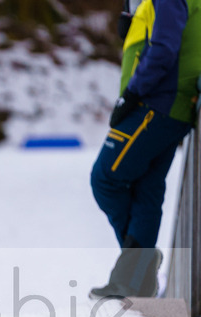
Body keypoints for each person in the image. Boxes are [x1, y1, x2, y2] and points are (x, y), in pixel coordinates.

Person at [89, 0, 200, 299]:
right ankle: (137, 280)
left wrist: (132, 94)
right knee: (146, 189)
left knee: (106, 179)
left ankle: (140, 266)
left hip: (156, 104)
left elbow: (164, 49)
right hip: (173, 106)